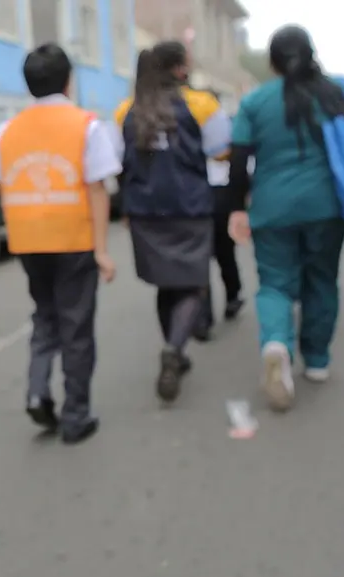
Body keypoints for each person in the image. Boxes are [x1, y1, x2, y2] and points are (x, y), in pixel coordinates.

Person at [226, 25, 344, 411]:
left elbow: (239, 160)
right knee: (321, 279)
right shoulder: (340, 92)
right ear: (311, 54)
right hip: (327, 207)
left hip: (272, 208)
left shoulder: (255, 102)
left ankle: (276, 343)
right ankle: (317, 361)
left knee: (275, 283)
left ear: (272, 63)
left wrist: (237, 209)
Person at [0, 44, 118, 444]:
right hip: (74, 239)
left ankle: (38, 391)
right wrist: (102, 250)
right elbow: (98, 189)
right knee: (76, 327)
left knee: (45, 317)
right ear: (69, 81)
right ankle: (76, 416)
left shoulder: (8, 129)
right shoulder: (86, 125)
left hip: (28, 241)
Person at [114, 41, 231, 402]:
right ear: (179, 69)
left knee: (165, 285)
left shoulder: (126, 110)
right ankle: (173, 349)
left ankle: (175, 351)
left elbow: (117, 162)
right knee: (193, 285)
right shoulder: (201, 104)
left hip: (145, 211)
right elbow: (221, 151)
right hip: (189, 207)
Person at [194, 89, 244, 341]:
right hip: (220, 193)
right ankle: (233, 296)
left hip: (198, 193)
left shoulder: (187, 123)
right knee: (225, 254)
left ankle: (203, 317)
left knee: (200, 257)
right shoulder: (225, 126)